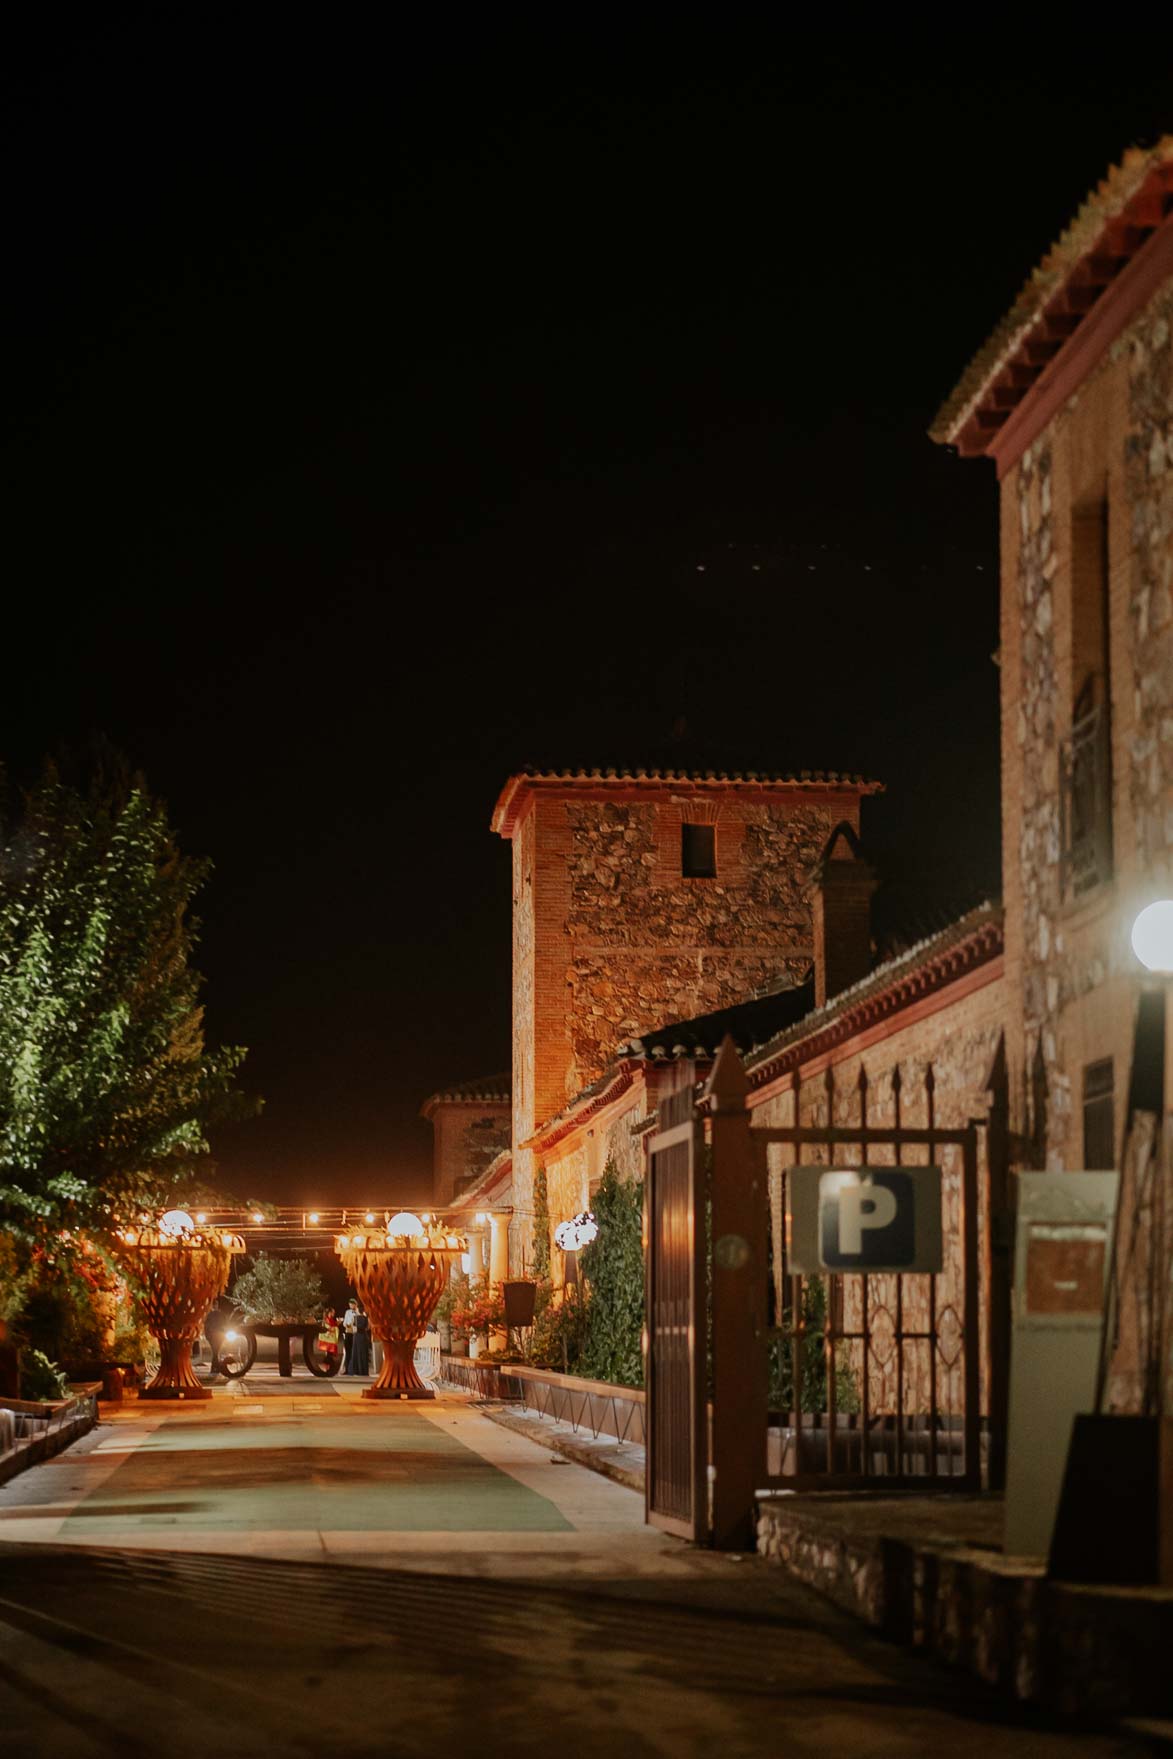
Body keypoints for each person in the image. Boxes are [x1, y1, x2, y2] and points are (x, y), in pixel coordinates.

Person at [351, 1304, 371, 1377]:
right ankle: (364, 1371)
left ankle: (357, 1370)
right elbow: (368, 1327)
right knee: (364, 1353)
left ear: (358, 1310)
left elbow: (353, 1328)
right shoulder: (366, 1318)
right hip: (363, 1336)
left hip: (357, 1336)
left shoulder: (355, 1318)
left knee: (356, 1353)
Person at [319, 1307, 341, 1374]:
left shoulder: (330, 1319)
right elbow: (330, 1328)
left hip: (331, 1339)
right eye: (332, 1312)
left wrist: (337, 1324)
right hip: (328, 1340)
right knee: (329, 1354)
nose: (334, 1314)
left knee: (330, 1354)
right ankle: (327, 1367)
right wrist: (336, 1325)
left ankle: (328, 1368)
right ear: (329, 1313)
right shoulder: (327, 1320)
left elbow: (333, 1326)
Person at [342, 1297, 359, 1373]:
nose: (350, 1306)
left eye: (352, 1304)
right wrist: (346, 1325)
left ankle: (354, 1369)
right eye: (350, 1305)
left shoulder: (358, 1313)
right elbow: (344, 1322)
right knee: (348, 1352)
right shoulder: (347, 1312)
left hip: (355, 1334)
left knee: (354, 1352)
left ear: (355, 1305)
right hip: (348, 1333)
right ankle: (347, 1369)